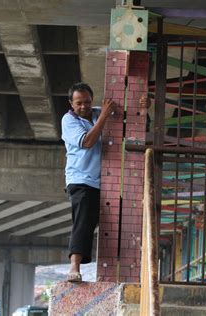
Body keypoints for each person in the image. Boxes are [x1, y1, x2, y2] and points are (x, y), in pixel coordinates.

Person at [61, 82, 149, 282]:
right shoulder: (68, 120)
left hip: (106, 181)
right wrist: (103, 116)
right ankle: (74, 268)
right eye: (79, 103)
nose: (84, 106)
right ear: (71, 104)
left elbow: (132, 122)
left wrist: (144, 108)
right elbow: (88, 141)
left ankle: (120, 271)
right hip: (81, 179)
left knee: (117, 223)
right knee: (83, 222)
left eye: (87, 102)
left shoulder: (98, 113)